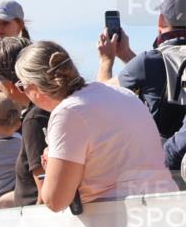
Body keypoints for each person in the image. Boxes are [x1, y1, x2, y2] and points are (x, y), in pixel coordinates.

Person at [15, 41, 177, 211]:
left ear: (34, 86)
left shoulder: (68, 112)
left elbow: (55, 201)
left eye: (21, 86)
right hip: (167, 210)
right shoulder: (122, 93)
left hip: (119, 221)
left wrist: (51, 167)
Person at [97, 0, 186, 146]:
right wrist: (126, 54)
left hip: (164, 161)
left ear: (161, 20)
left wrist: (106, 60)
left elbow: (100, 94)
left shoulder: (149, 61)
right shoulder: (149, 63)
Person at [0, 36, 51, 206]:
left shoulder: (34, 118)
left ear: (8, 83)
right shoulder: (48, 108)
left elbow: (45, 192)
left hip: (41, 223)